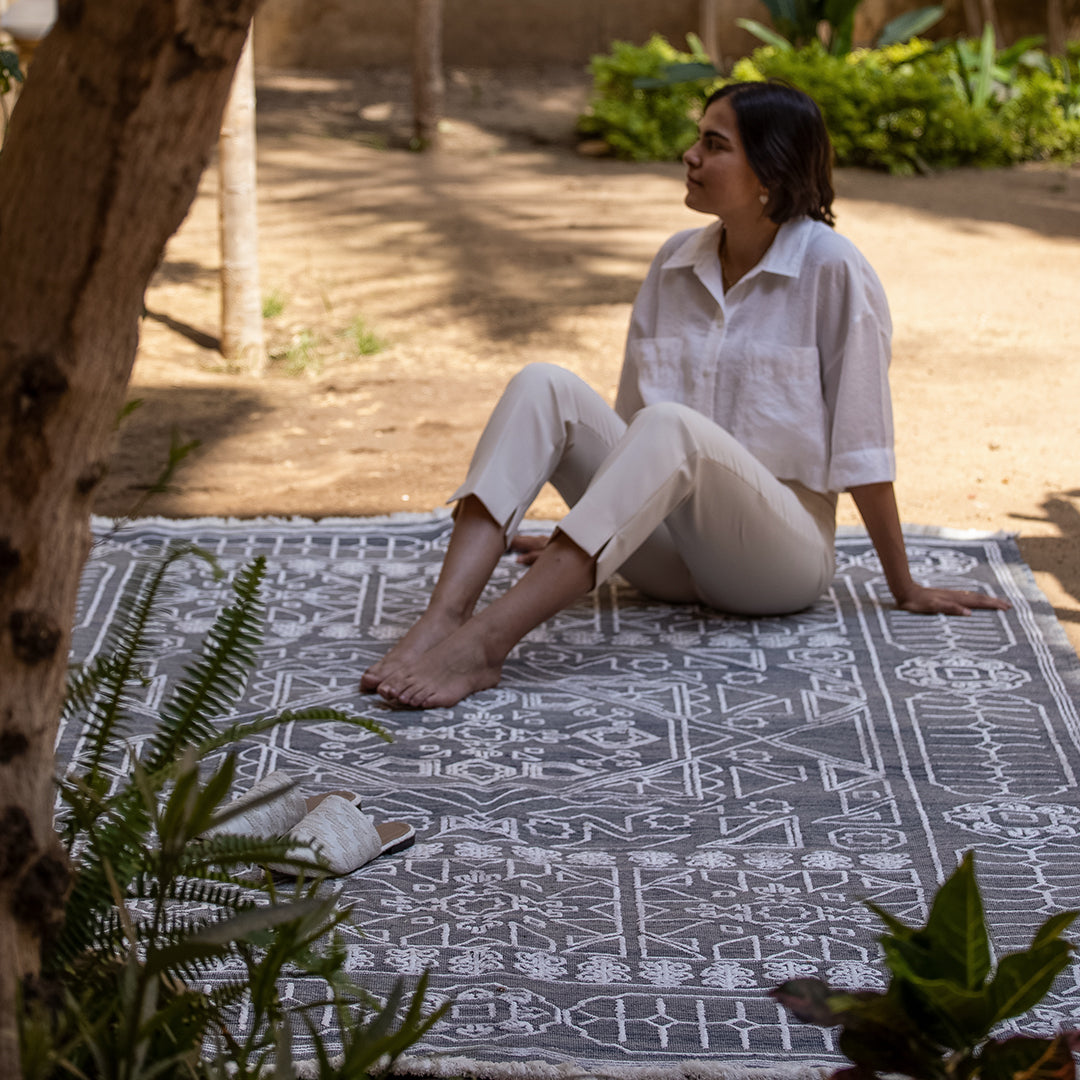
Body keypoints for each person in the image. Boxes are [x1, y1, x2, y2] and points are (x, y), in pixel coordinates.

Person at [361, 81, 1010, 710]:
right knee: (542, 383)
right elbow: (626, 427)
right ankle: (443, 618)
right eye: (697, 139)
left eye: (714, 144)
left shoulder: (834, 270)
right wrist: (585, 531)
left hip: (775, 563)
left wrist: (905, 586)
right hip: (668, 556)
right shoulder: (675, 262)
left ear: (771, 175)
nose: (690, 156)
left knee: (671, 424)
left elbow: (864, 446)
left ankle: (485, 644)